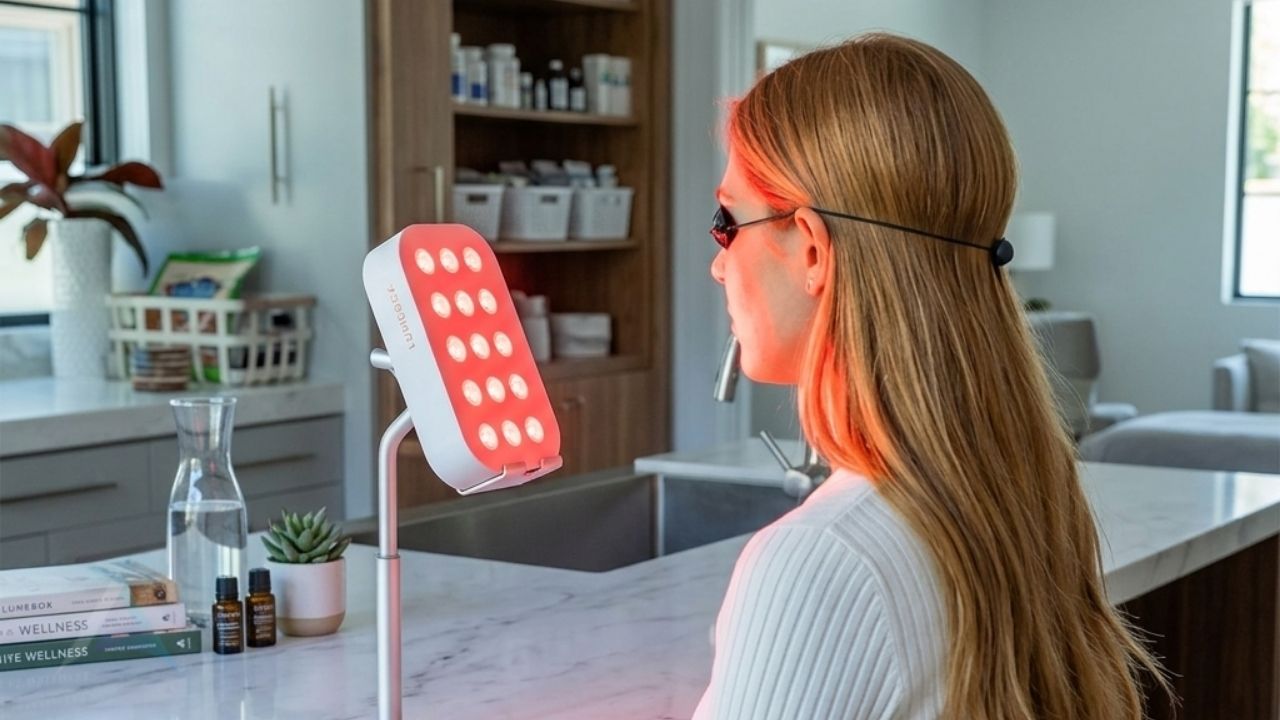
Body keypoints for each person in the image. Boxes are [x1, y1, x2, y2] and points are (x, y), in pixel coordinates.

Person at [694, 33, 1167, 720]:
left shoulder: (817, 563)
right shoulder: (1019, 493)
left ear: (815, 251)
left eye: (726, 223)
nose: (718, 263)